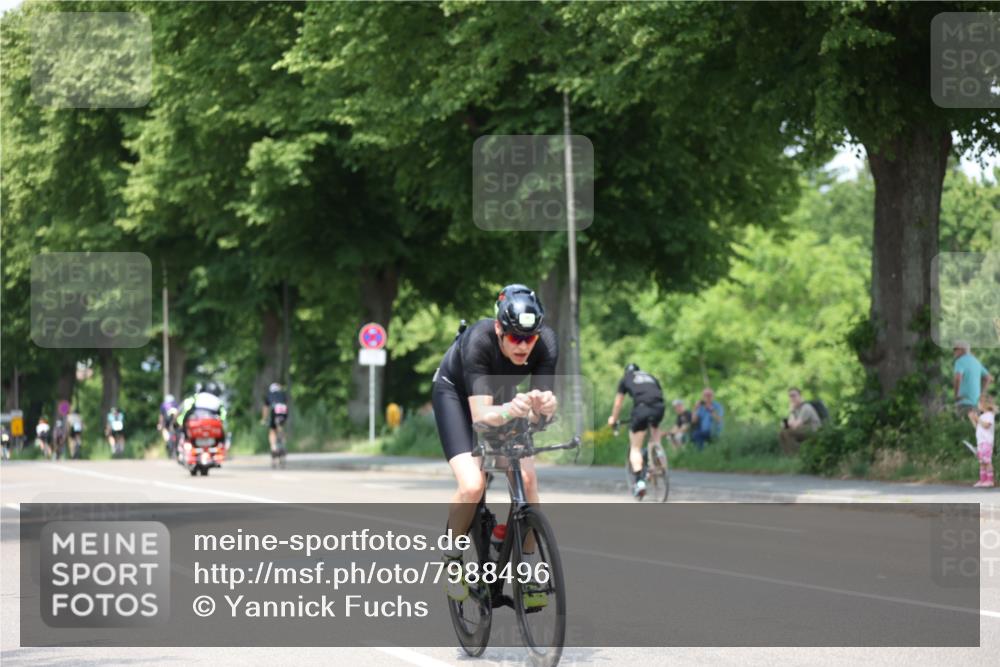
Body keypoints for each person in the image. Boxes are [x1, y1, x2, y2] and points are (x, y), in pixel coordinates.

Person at [432, 284, 557, 605]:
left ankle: (526, 571)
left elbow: (538, 417)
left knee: (527, 479)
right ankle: (452, 558)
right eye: (515, 337)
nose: (523, 346)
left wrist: (545, 408)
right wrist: (511, 410)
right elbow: (481, 417)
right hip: (456, 396)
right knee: (473, 484)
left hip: (499, 397)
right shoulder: (479, 340)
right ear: (499, 328)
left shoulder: (546, 343)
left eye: (530, 338)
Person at [607, 363, 665, 497]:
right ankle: (657, 455)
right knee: (655, 432)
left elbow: (618, 403)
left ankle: (640, 482)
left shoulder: (626, 378)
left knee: (635, 448)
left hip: (642, 408)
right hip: (659, 408)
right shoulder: (650, 376)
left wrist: (613, 419)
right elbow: (658, 393)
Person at [953, 342, 992, 420]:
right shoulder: (976, 361)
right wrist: (982, 394)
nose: (954, 352)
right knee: (975, 426)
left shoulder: (959, 361)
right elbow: (988, 378)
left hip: (964, 402)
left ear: (961, 350)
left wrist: (956, 395)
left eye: (955, 349)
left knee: (961, 426)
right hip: (977, 404)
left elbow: (958, 378)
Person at [779, 387, 821, 456]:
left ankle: (795, 455)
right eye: (790, 396)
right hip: (803, 429)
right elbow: (788, 424)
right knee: (781, 433)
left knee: (787, 432)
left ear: (800, 396)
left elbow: (795, 426)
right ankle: (788, 455)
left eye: (794, 395)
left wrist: (791, 412)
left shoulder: (806, 407)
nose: (792, 398)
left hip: (813, 430)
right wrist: (792, 413)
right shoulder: (796, 409)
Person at [970, 394, 996, 488]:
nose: (978, 406)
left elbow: (986, 425)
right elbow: (977, 427)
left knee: (987, 461)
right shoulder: (982, 416)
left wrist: (978, 418)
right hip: (980, 442)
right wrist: (972, 419)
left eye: (979, 403)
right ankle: (982, 480)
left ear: (984, 404)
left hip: (986, 442)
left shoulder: (989, 415)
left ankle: (990, 481)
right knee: (981, 462)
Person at [261, 382, 289, 458]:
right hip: (283, 410)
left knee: (272, 430)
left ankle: (273, 448)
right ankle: (283, 445)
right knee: (281, 427)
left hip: (275, 409)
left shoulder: (269, 395)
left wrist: (264, 419)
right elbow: (285, 404)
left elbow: (265, 408)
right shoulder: (282, 394)